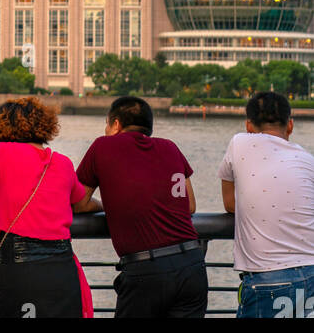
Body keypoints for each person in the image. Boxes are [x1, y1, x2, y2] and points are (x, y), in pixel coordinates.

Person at [76, 94, 207, 318]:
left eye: (107, 124)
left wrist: (106, 205)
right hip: (192, 265)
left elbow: (78, 203)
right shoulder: (170, 147)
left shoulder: (102, 146)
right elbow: (190, 205)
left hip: (146, 270)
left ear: (116, 124)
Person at [0, 97, 99, 318]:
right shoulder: (63, 162)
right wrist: (104, 205)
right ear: (45, 125)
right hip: (62, 267)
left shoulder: (3, 152)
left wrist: (7, 207)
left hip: (20, 267)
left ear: (2, 125)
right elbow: (81, 203)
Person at [219, 90, 314, 319]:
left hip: (268, 278)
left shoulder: (239, 142)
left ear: (248, 125)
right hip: (310, 273)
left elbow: (230, 203)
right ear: (290, 125)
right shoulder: (308, 160)